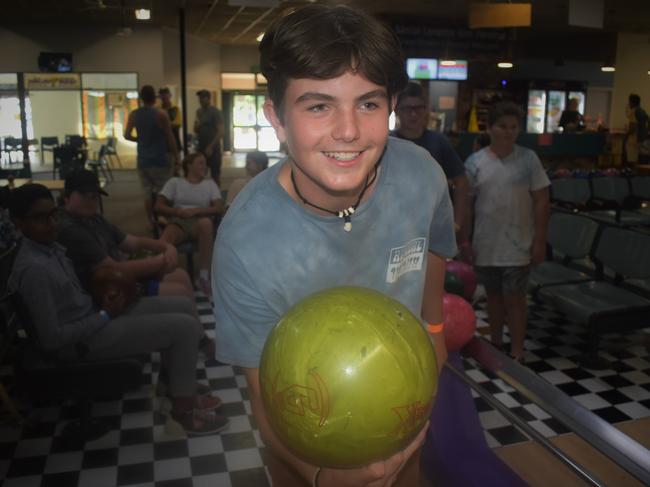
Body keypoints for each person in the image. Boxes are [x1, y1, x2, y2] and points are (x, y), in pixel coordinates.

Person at [212, 5, 456, 487]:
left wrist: (434, 330)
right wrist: (322, 476)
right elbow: (267, 402)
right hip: (304, 453)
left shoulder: (422, 175)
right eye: (318, 106)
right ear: (277, 119)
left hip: (400, 421)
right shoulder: (245, 243)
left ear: (388, 108)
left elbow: (433, 249)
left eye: (367, 104)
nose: (348, 131)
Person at [7, 183, 228, 435]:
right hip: (83, 340)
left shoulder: (50, 250)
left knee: (181, 305)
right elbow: (52, 339)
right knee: (184, 327)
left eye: (52, 215)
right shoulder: (34, 269)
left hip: (94, 319)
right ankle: (184, 409)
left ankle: (176, 385)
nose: (51, 223)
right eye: (39, 218)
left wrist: (106, 303)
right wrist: (105, 315)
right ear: (18, 222)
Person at [462, 101, 550, 362]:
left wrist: (540, 241)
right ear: (490, 129)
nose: (508, 132)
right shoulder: (475, 162)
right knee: (494, 298)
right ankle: (496, 342)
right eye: (502, 126)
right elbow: (466, 206)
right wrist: (465, 241)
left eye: (513, 127)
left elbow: (542, 201)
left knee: (516, 300)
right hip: (486, 244)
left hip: (518, 246)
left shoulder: (528, 160)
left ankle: (517, 352)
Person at [393, 81, 469, 239]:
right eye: (407, 108)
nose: (413, 114)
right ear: (397, 110)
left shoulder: (438, 142)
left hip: (432, 227)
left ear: (426, 109)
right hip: (393, 224)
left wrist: (458, 222)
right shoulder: (386, 143)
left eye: (418, 108)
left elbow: (461, 181)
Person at [154, 152, 224, 295]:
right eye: (200, 163)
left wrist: (197, 210)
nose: (204, 166)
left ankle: (203, 276)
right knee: (167, 237)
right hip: (179, 220)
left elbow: (219, 207)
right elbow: (158, 206)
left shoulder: (209, 184)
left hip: (200, 221)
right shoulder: (175, 182)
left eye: (205, 163)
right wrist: (177, 212)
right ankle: (158, 272)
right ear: (189, 166)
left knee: (206, 223)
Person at [124, 85, 179, 228]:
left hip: (143, 160)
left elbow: (127, 135)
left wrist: (140, 140)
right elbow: (169, 137)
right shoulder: (161, 114)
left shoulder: (134, 115)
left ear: (141, 98)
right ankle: (162, 216)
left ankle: (151, 221)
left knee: (147, 193)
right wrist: (177, 157)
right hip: (160, 159)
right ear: (154, 97)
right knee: (163, 190)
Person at [194, 90, 224, 185]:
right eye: (200, 98)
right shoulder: (199, 112)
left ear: (208, 98)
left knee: (215, 174)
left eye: (203, 98)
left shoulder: (215, 112)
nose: (201, 100)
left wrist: (211, 146)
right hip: (201, 147)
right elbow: (196, 129)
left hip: (213, 148)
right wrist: (196, 127)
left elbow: (221, 131)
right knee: (200, 173)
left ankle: (217, 196)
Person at [625, 93, 649, 164]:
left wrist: (626, 136)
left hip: (634, 139)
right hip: (642, 138)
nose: (628, 103)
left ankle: (633, 173)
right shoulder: (642, 111)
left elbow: (633, 127)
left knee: (632, 159)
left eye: (629, 101)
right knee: (640, 158)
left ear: (633, 102)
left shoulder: (634, 111)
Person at [159, 87, 182, 153]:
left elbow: (177, 125)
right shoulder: (157, 109)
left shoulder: (175, 108)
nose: (164, 97)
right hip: (161, 144)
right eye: (162, 95)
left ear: (170, 95)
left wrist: (163, 125)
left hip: (174, 142)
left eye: (166, 94)